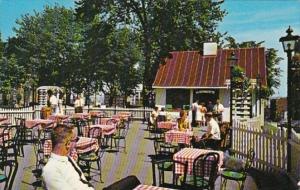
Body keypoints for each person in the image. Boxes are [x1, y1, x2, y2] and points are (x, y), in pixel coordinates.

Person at [42, 124, 94, 190]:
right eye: (76, 140)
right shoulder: (51, 170)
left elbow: (83, 181)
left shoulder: (68, 159)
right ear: (68, 144)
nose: (76, 143)